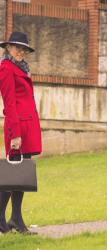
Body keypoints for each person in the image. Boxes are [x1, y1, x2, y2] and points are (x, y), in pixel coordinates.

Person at [0, 31, 42, 234]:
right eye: (17, 48)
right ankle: (1, 219)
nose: (21, 52)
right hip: (17, 130)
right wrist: (15, 134)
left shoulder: (22, 68)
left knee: (21, 175)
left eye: (24, 49)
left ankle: (15, 218)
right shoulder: (7, 68)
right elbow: (9, 104)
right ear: (8, 48)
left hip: (27, 128)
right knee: (11, 176)